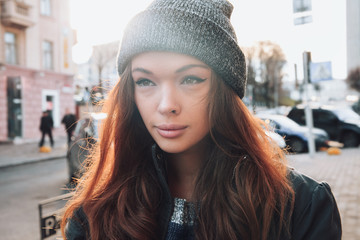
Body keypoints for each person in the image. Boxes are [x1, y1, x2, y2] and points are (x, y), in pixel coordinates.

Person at [61, 0, 342, 239]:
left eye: (191, 79)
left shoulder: (299, 207)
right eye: (145, 81)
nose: (166, 105)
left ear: (224, 89)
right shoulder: (93, 216)